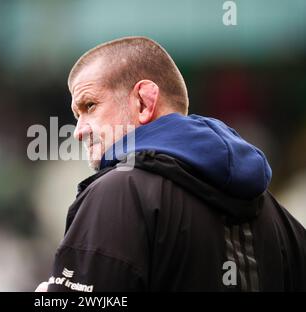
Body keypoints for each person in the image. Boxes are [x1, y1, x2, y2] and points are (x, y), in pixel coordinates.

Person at [35, 36, 306, 292]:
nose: (78, 131)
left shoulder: (118, 192)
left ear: (144, 101)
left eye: (90, 106)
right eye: (76, 114)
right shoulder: (281, 221)